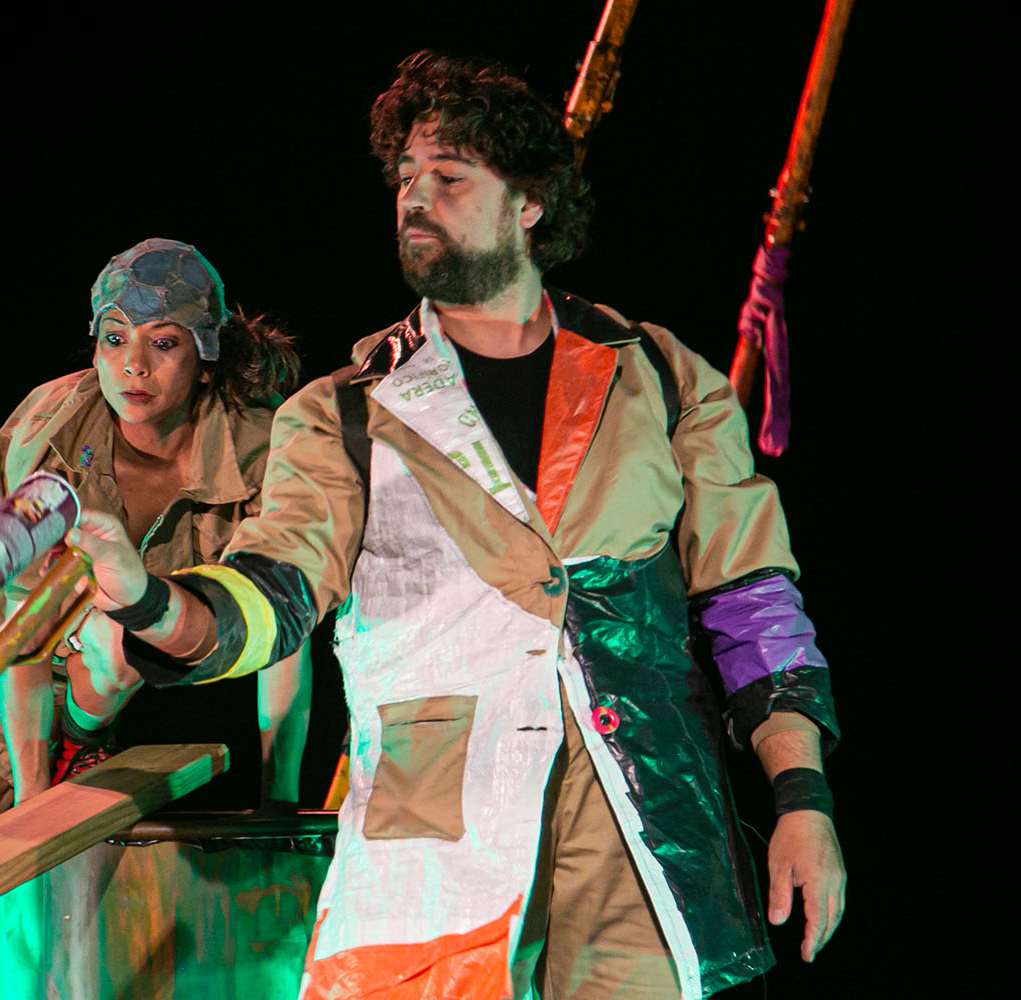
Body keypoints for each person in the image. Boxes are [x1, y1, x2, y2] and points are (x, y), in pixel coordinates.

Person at [67, 53, 846, 999]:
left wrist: (802, 798)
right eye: (406, 178)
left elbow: (751, 601)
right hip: (431, 867)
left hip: (638, 857)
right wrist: (151, 602)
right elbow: (273, 591)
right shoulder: (345, 412)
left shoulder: (663, 378)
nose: (416, 199)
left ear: (529, 204)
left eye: (449, 177)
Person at [0, 237, 312, 854]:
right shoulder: (48, 438)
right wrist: (34, 800)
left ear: (205, 358)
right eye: (115, 338)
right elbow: (21, 639)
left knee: (117, 634)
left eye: (163, 343)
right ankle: (76, 742)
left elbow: (286, 633)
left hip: (192, 645)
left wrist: (279, 802)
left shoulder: (265, 451)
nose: (134, 366)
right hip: (56, 656)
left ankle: (81, 730)